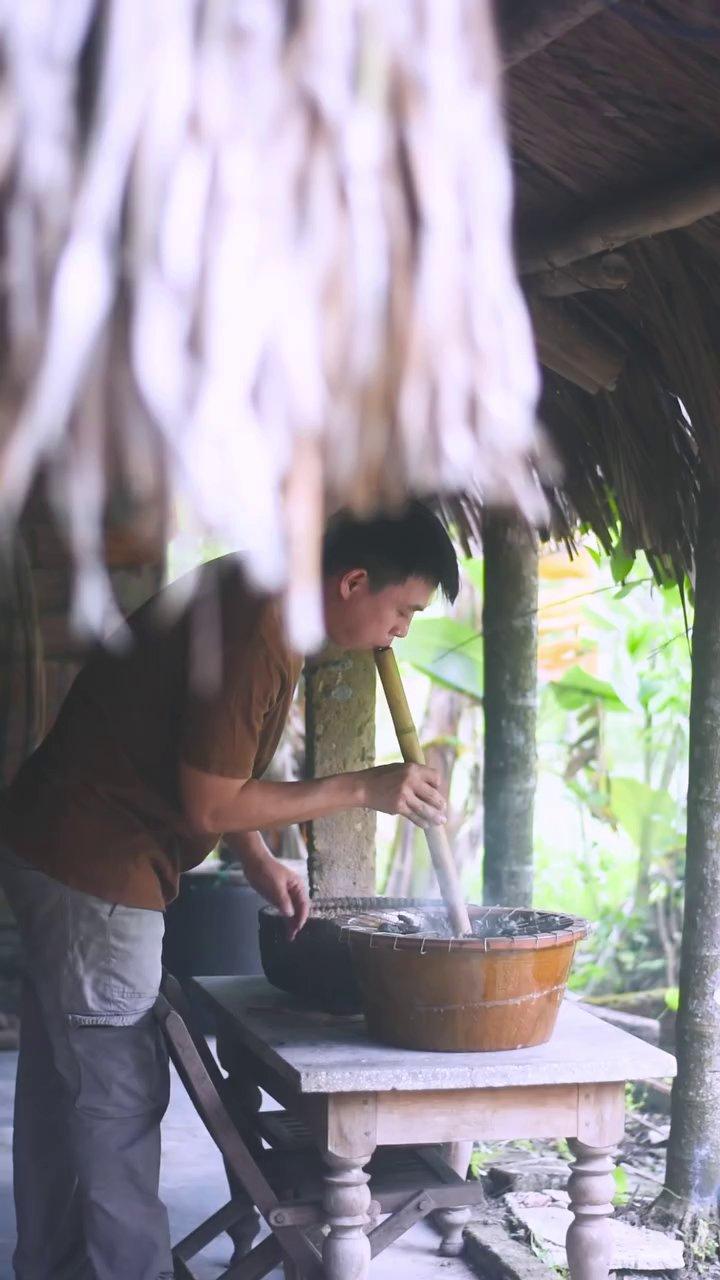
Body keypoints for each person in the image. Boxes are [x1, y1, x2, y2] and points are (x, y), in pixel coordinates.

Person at [0, 500, 459, 1280]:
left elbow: (210, 760)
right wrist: (363, 787)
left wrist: (255, 857)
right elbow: (208, 804)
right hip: (96, 866)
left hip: (55, 844)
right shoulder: (258, 629)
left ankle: (54, 1264)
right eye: (405, 610)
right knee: (117, 1102)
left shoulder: (259, 592)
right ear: (353, 582)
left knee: (62, 1086)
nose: (403, 631)